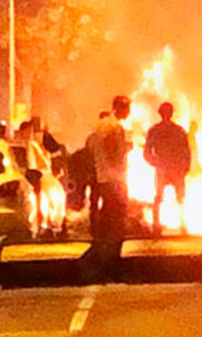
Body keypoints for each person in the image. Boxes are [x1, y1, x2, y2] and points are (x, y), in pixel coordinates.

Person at [84, 96, 132, 277]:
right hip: (114, 178)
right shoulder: (114, 126)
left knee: (106, 216)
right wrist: (117, 159)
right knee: (116, 217)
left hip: (102, 176)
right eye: (127, 109)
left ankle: (102, 258)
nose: (129, 113)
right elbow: (111, 146)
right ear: (120, 108)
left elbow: (90, 150)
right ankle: (113, 262)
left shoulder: (99, 126)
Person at [144, 102, 192, 235]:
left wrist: (154, 162)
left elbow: (147, 152)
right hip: (176, 168)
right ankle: (182, 224)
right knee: (180, 198)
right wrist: (186, 166)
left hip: (163, 168)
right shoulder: (179, 130)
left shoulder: (154, 130)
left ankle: (156, 224)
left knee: (159, 197)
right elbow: (186, 151)